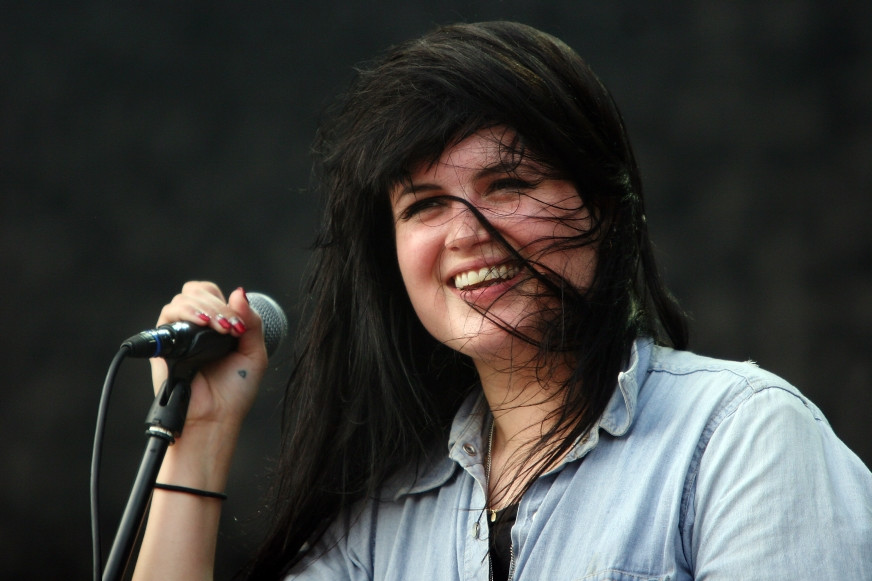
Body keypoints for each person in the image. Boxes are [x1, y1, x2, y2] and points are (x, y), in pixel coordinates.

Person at [132, 21, 872, 581]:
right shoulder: (379, 522)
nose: (466, 233)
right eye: (423, 204)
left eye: (509, 185)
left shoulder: (740, 438)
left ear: (606, 211)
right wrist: (197, 435)